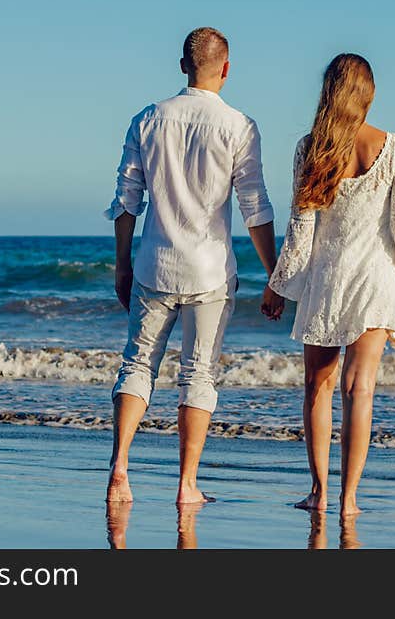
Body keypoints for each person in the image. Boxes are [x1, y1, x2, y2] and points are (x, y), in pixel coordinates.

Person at [104, 27, 282, 505]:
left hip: (153, 265)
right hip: (208, 270)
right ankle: (186, 486)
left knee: (137, 364)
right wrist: (275, 276)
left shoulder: (147, 119)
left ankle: (120, 467)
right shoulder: (239, 126)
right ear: (226, 69)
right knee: (198, 374)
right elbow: (255, 208)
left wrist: (122, 266)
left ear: (183, 65)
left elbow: (126, 202)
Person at [264, 53, 395, 517]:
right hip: (378, 281)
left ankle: (318, 492)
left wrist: (278, 286)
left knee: (317, 387)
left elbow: (300, 232)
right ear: (369, 94)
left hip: (327, 282)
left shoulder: (310, 148)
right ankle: (349, 500)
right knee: (361, 391)